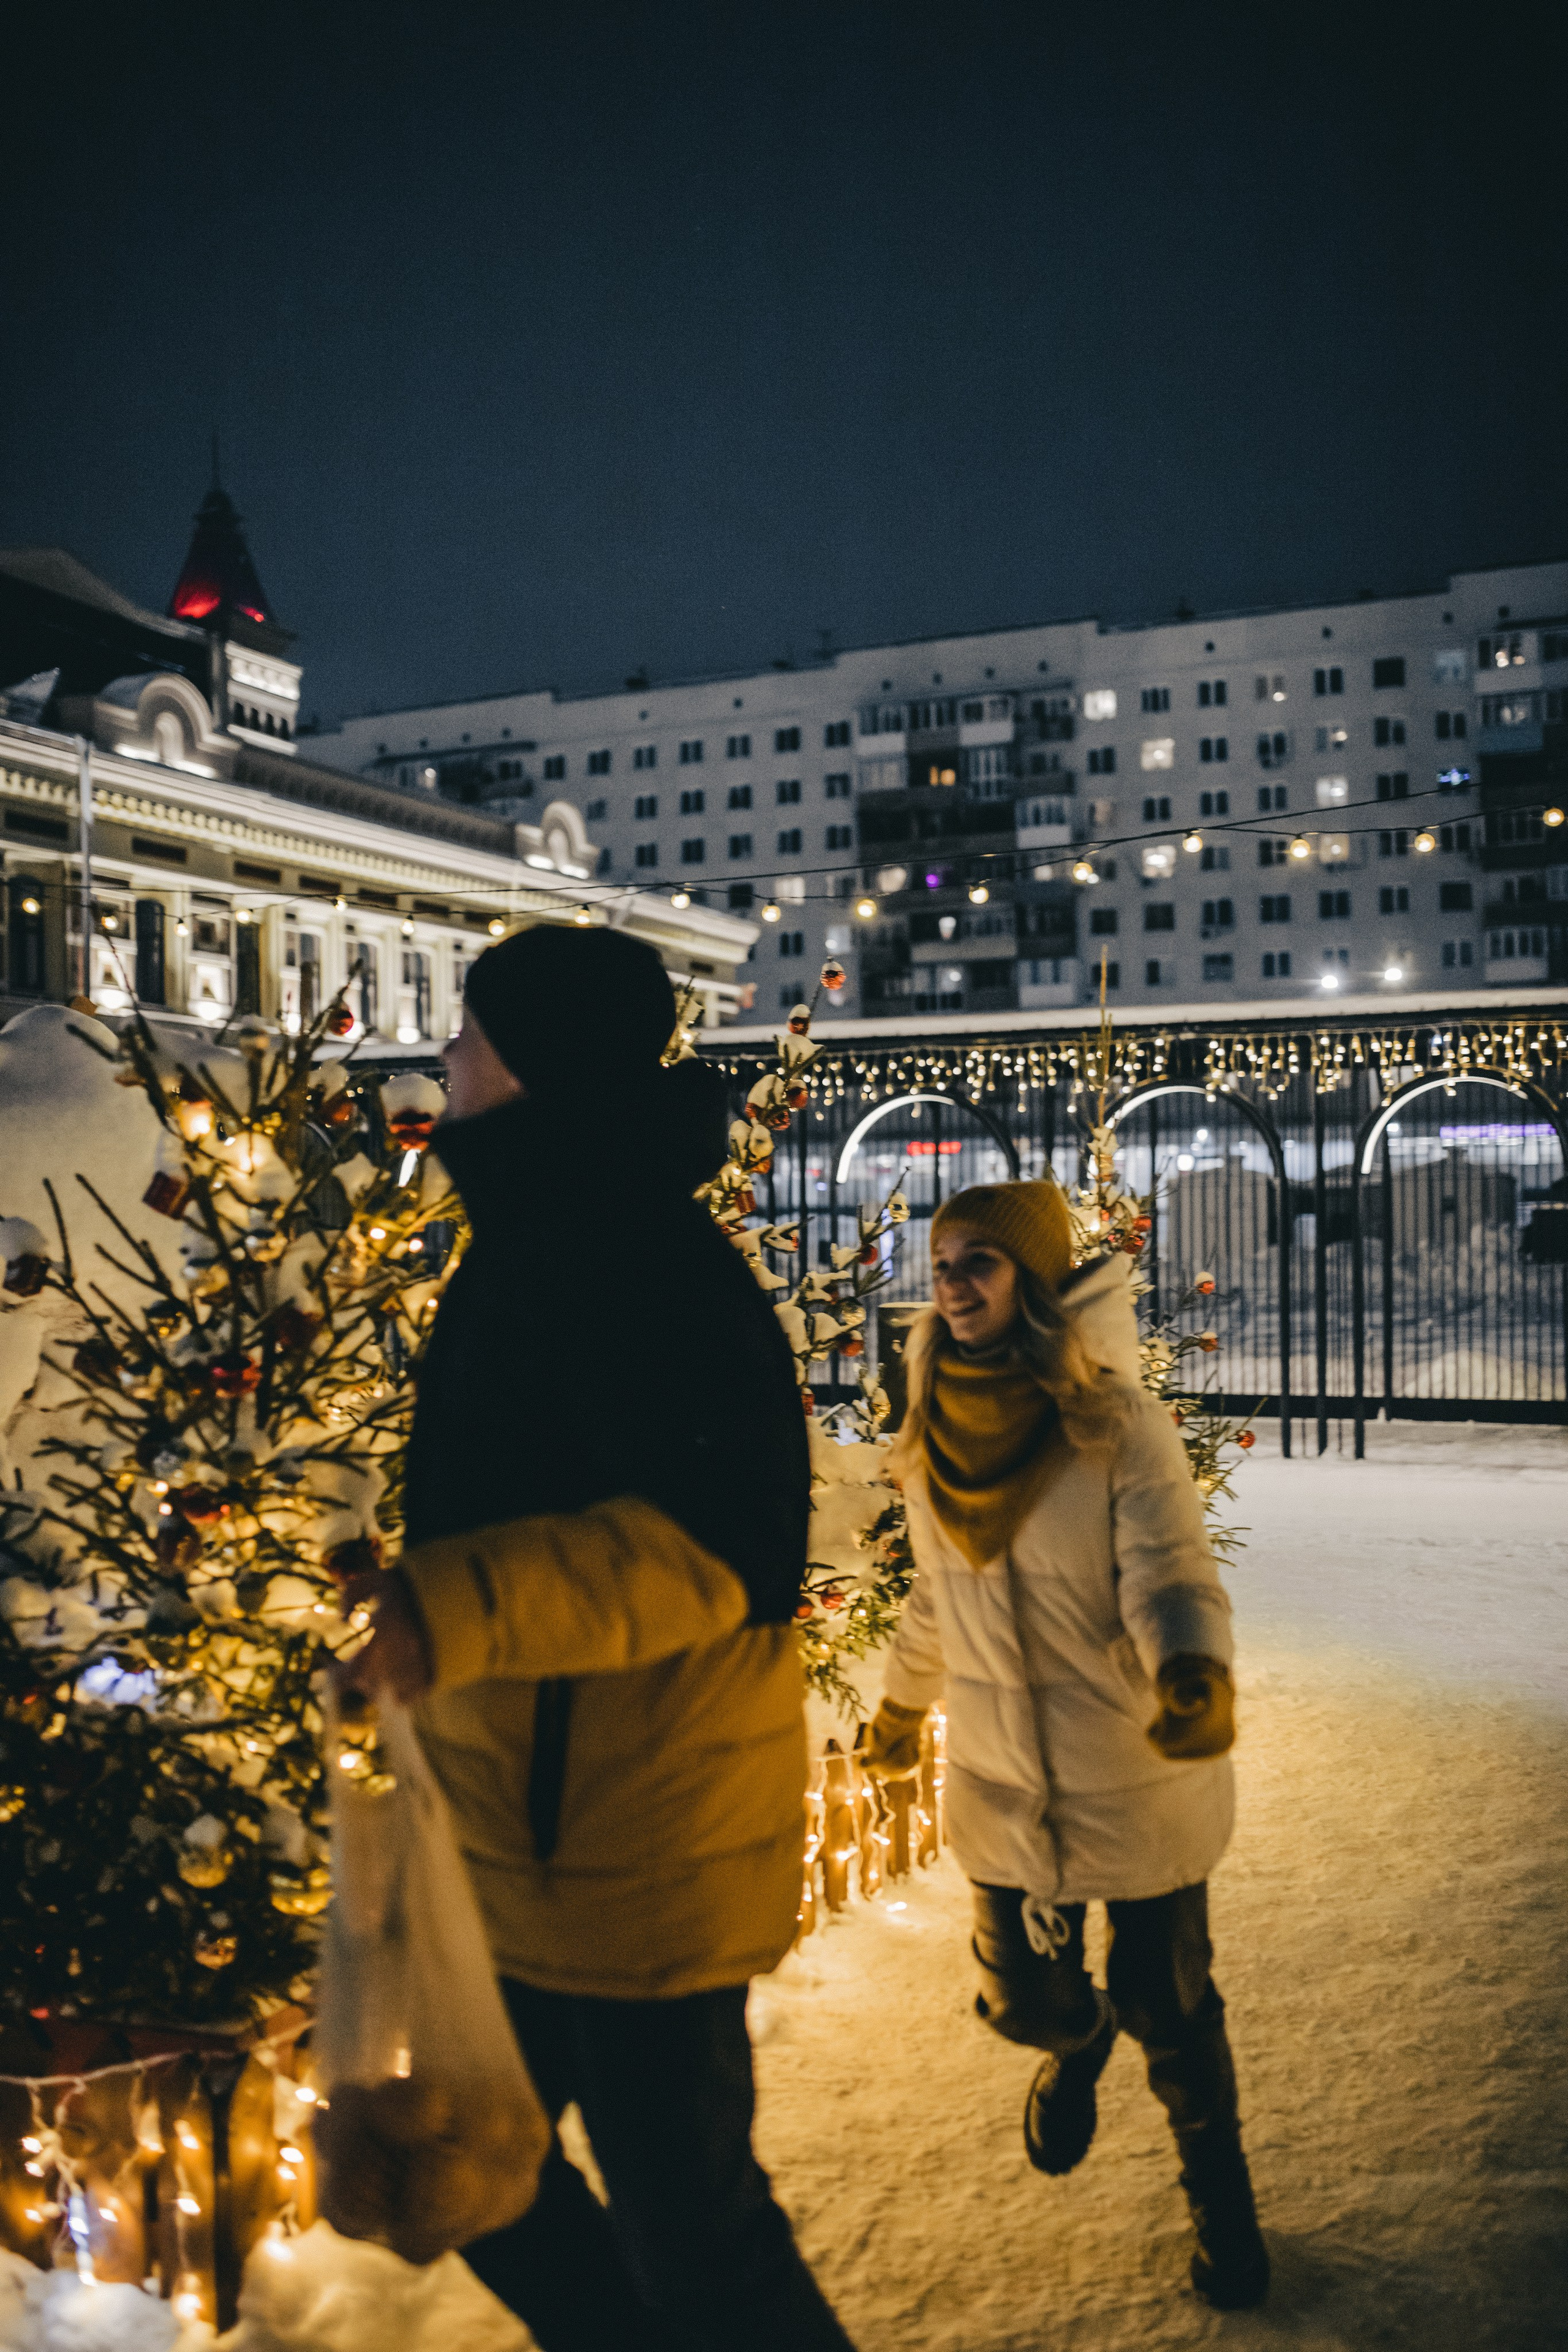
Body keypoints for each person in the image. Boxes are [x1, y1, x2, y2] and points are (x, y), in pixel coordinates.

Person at [336, 924, 856, 2352]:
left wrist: (448, 1609)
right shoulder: (548, 1231)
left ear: (536, 1060)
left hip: (635, 1849)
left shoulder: (632, 1254)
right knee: (475, 2170)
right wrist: (417, 1602)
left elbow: (712, 1548)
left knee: (695, 2240)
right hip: (533, 1835)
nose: (448, 1055)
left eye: (473, 1031)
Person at [862, 1178, 1268, 2312]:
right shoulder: (929, 1426)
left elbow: (1172, 1573)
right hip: (999, 1780)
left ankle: (1224, 2213)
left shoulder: (1112, 1423)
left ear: (1034, 1280)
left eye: (980, 1262)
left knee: (1169, 2009)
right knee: (1023, 2002)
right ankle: (1075, 2044)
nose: (953, 1285)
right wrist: (900, 1710)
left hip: (1131, 1765)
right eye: (943, 1265)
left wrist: (1191, 1674)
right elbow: (935, 1601)